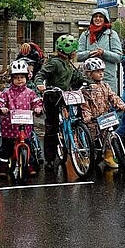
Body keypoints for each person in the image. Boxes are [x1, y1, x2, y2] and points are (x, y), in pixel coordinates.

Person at [34, 34, 89, 172]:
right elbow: (41, 75)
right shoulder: (54, 62)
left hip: (66, 97)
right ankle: (50, 159)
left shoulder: (69, 64)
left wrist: (89, 83)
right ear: (69, 51)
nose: (75, 53)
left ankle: (81, 145)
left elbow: (77, 77)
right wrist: (40, 84)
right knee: (51, 127)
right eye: (74, 50)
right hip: (53, 97)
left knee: (77, 118)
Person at [0, 59, 43, 179]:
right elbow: (0, 103)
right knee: (6, 149)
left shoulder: (30, 93)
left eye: (22, 77)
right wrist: (2, 109)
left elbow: (36, 103)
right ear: (12, 78)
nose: (19, 80)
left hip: (25, 126)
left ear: (27, 77)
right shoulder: (7, 93)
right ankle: (3, 168)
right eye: (16, 77)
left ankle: (30, 165)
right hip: (9, 126)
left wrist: (37, 109)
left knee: (29, 145)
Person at [80, 57, 125, 168]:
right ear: (89, 74)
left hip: (104, 118)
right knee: (89, 139)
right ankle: (85, 157)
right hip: (92, 119)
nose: (101, 74)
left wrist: (119, 103)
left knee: (108, 138)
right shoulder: (85, 89)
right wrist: (87, 115)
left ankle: (108, 156)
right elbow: (84, 104)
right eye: (97, 71)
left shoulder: (105, 86)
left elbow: (112, 96)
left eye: (102, 71)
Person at [77, 8, 123, 94]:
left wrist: (103, 53)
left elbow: (118, 57)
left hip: (107, 78)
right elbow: (77, 56)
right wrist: (89, 53)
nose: (98, 19)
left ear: (105, 19)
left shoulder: (112, 34)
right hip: (89, 79)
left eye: (101, 16)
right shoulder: (85, 35)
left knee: (109, 105)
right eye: (95, 16)